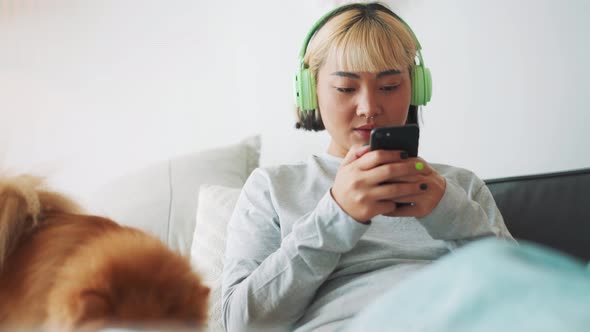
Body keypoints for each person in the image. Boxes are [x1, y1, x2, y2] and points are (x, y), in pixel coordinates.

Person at [221, 2, 514, 331]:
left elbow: (525, 292)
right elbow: (242, 324)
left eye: (389, 87)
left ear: (417, 88)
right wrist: (336, 215)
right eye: (346, 88)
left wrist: (451, 213)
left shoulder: (459, 185)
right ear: (309, 91)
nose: (369, 108)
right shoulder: (272, 187)